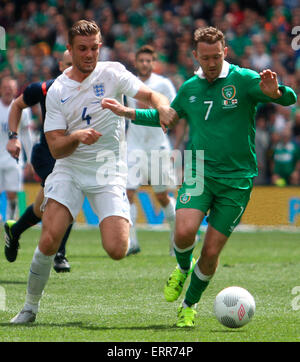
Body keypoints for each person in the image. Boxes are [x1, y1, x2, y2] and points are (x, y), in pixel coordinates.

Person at [101, 26, 297, 328]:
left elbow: (288, 98)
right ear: (196, 55)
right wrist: (127, 113)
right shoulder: (190, 87)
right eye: (205, 57)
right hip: (197, 168)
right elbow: (167, 117)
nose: (212, 62)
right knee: (183, 232)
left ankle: (189, 304)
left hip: (237, 178)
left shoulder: (243, 80)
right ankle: (182, 268)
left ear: (225, 52)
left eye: (217, 56)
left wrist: (278, 92)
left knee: (211, 252)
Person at [10, 19, 171, 324]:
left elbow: (150, 96)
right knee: (49, 240)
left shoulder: (112, 73)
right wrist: (76, 137)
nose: (89, 54)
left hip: (108, 172)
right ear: (69, 50)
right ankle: (30, 307)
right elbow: (56, 148)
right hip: (69, 168)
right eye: (82, 49)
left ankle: (116, 211)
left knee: (117, 249)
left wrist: (162, 107)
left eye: (94, 47)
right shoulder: (58, 89)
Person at [5, 50, 73, 273]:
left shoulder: (93, 90)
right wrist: (13, 138)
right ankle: (59, 254)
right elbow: (16, 105)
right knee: (66, 196)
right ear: (61, 67)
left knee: (40, 208)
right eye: (70, 64)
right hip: (46, 154)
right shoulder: (44, 88)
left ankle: (15, 232)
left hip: (72, 155)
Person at [126, 45, 177, 256]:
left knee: (162, 196)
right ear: (136, 63)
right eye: (141, 61)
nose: (145, 64)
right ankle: (132, 243)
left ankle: (177, 238)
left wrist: (153, 109)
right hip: (133, 145)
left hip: (157, 147)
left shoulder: (163, 84)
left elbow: (174, 112)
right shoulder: (128, 83)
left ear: (153, 63)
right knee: (127, 193)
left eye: (149, 61)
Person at [0, 77, 33, 221]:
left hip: (14, 158)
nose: (8, 90)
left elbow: (27, 135)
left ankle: (10, 221)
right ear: (1, 89)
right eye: (5, 87)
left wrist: (30, 160)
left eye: (10, 88)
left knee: (12, 193)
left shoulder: (23, 110)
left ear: (15, 90)